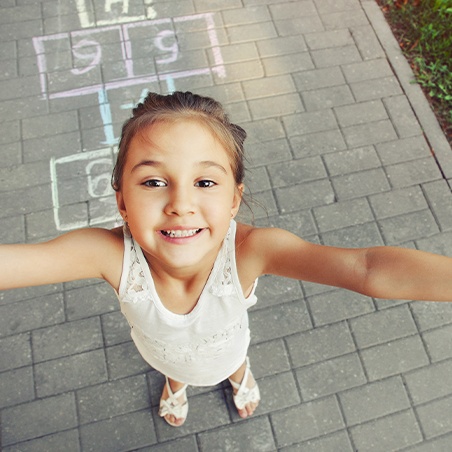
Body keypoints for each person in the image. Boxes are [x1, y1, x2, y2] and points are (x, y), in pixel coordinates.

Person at [1, 91, 452, 427]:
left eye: (206, 182)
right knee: (172, 369)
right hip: (161, 352)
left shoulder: (249, 251)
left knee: (234, 360)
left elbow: (368, 268)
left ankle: (240, 379)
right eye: (154, 182)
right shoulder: (107, 253)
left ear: (236, 199)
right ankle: (175, 386)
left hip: (228, 346)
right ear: (121, 201)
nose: (180, 203)